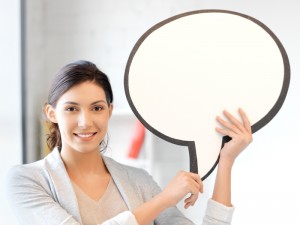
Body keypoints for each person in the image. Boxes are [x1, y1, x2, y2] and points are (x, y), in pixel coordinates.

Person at [6, 60, 253, 225]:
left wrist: (226, 161)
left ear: (109, 111)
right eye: (71, 108)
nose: (85, 122)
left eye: (97, 108)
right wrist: (164, 199)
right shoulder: (27, 180)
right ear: (51, 113)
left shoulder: (138, 181)